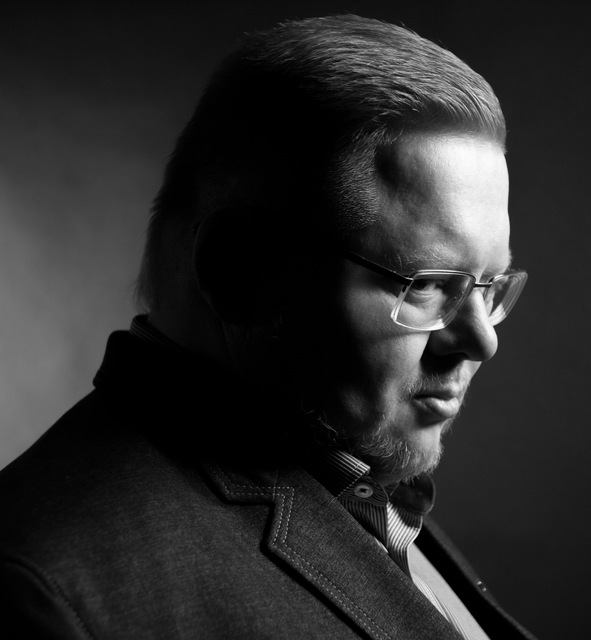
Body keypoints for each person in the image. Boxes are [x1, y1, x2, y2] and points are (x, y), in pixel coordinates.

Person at [0, 14, 535, 639]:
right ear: (236, 271)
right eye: (427, 285)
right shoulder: (44, 591)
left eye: (489, 286)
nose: (482, 340)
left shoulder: (363, 483)